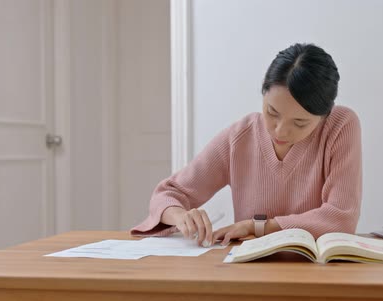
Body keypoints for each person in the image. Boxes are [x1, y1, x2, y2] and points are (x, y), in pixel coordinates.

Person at [131, 43, 362, 247]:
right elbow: (168, 193)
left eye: (300, 123)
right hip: (250, 274)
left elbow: (341, 217)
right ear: (263, 92)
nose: (280, 130)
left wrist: (257, 227)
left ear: (324, 115)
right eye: (272, 112)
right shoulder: (240, 137)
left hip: (318, 275)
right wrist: (180, 216)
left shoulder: (340, 126)